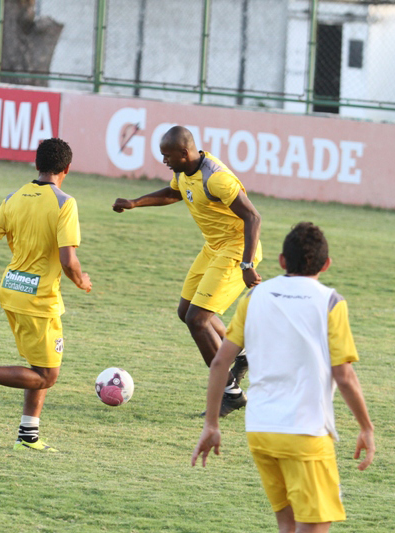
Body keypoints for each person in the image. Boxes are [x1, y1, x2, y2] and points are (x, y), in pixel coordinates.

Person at [192, 222, 375, 533]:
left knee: (287, 526)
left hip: (261, 430)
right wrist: (366, 427)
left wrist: (212, 423)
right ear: (326, 264)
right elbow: (344, 376)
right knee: (315, 525)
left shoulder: (255, 296)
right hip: (304, 432)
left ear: (281, 261)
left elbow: (221, 361)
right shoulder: (330, 302)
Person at [0, 138, 92, 453]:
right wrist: (81, 280)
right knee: (47, 376)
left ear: (36, 165)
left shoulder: (14, 198)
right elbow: (69, 261)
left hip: (11, 288)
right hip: (39, 300)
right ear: (67, 169)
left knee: (37, 367)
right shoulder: (66, 203)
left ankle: (28, 435)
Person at [112, 125, 262, 416]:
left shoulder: (217, 179)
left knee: (198, 319)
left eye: (167, 156)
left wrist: (247, 265)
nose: (164, 161)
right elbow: (173, 192)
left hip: (236, 249)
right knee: (186, 313)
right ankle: (241, 354)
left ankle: (230, 393)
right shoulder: (184, 171)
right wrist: (134, 203)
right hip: (213, 247)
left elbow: (253, 217)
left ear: (184, 152)